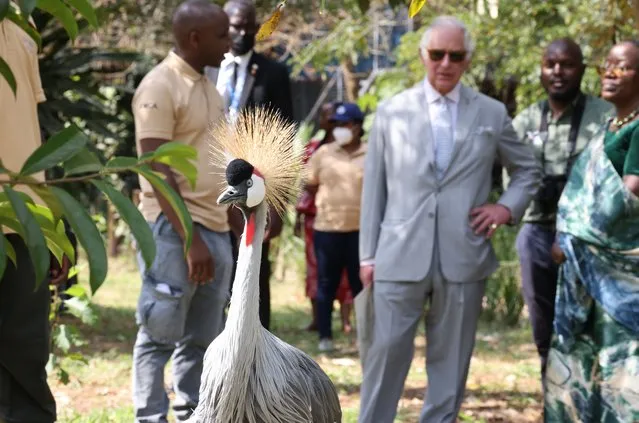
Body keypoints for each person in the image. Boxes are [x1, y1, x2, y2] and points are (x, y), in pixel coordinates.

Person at [357, 16, 541, 423]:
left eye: (455, 56)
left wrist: (506, 207)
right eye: (437, 54)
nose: (445, 63)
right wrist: (367, 256)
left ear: (468, 59)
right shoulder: (391, 111)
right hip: (397, 254)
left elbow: (528, 169)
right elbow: (374, 190)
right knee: (384, 354)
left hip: (464, 254)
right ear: (423, 55)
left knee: (451, 363)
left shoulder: (491, 113)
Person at [130, 1, 233, 421]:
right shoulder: (159, 86)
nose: (229, 44)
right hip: (174, 231)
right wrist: (190, 239)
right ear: (194, 39)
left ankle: (192, 411)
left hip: (215, 226)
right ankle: (150, 416)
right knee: (159, 333)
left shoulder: (210, 89)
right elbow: (155, 168)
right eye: (222, 35)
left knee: (203, 337)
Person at [544, 40, 639, 423]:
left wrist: (573, 238)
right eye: (608, 65)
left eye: (624, 67)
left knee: (622, 370)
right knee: (592, 367)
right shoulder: (609, 128)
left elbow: (629, 195)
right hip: (588, 275)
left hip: (622, 277)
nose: (611, 74)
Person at [510, 38, 612, 382]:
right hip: (537, 228)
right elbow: (512, 176)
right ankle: (551, 388)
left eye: (567, 64)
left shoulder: (604, 115)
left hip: (589, 233)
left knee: (589, 322)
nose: (557, 71)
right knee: (543, 321)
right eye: (550, 64)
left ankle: (590, 391)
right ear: (540, 69)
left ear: (582, 69)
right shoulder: (526, 120)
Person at [205, 0, 294, 331]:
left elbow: (286, 136)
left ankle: (258, 348)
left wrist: (280, 204)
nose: (243, 33)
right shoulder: (206, 70)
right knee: (213, 269)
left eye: (249, 26)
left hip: (253, 188)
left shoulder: (273, 73)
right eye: (235, 26)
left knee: (254, 268)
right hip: (210, 185)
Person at [0, 16, 70, 423]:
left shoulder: (21, 23)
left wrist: (51, 226)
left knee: (27, 355)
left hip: (26, 222)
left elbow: (31, 130)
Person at [305, 103, 366, 352]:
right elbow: (309, 183)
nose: (341, 129)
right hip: (327, 229)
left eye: (346, 124)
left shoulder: (371, 152)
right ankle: (326, 337)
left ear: (358, 126)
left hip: (361, 232)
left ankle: (365, 337)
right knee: (326, 285)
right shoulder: (323, 153)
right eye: (337, 125)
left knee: (360, 286)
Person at [294, 101, 354, 334]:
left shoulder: (352, 150)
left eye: (334, 117)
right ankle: (318, 318)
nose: (329, 121)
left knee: (347, 272)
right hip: (315, 219)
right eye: (325, 116)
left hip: (346, 218)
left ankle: (346, 320)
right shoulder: (311, 150)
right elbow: (303, 186)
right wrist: (298, 218)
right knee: (316, 270)